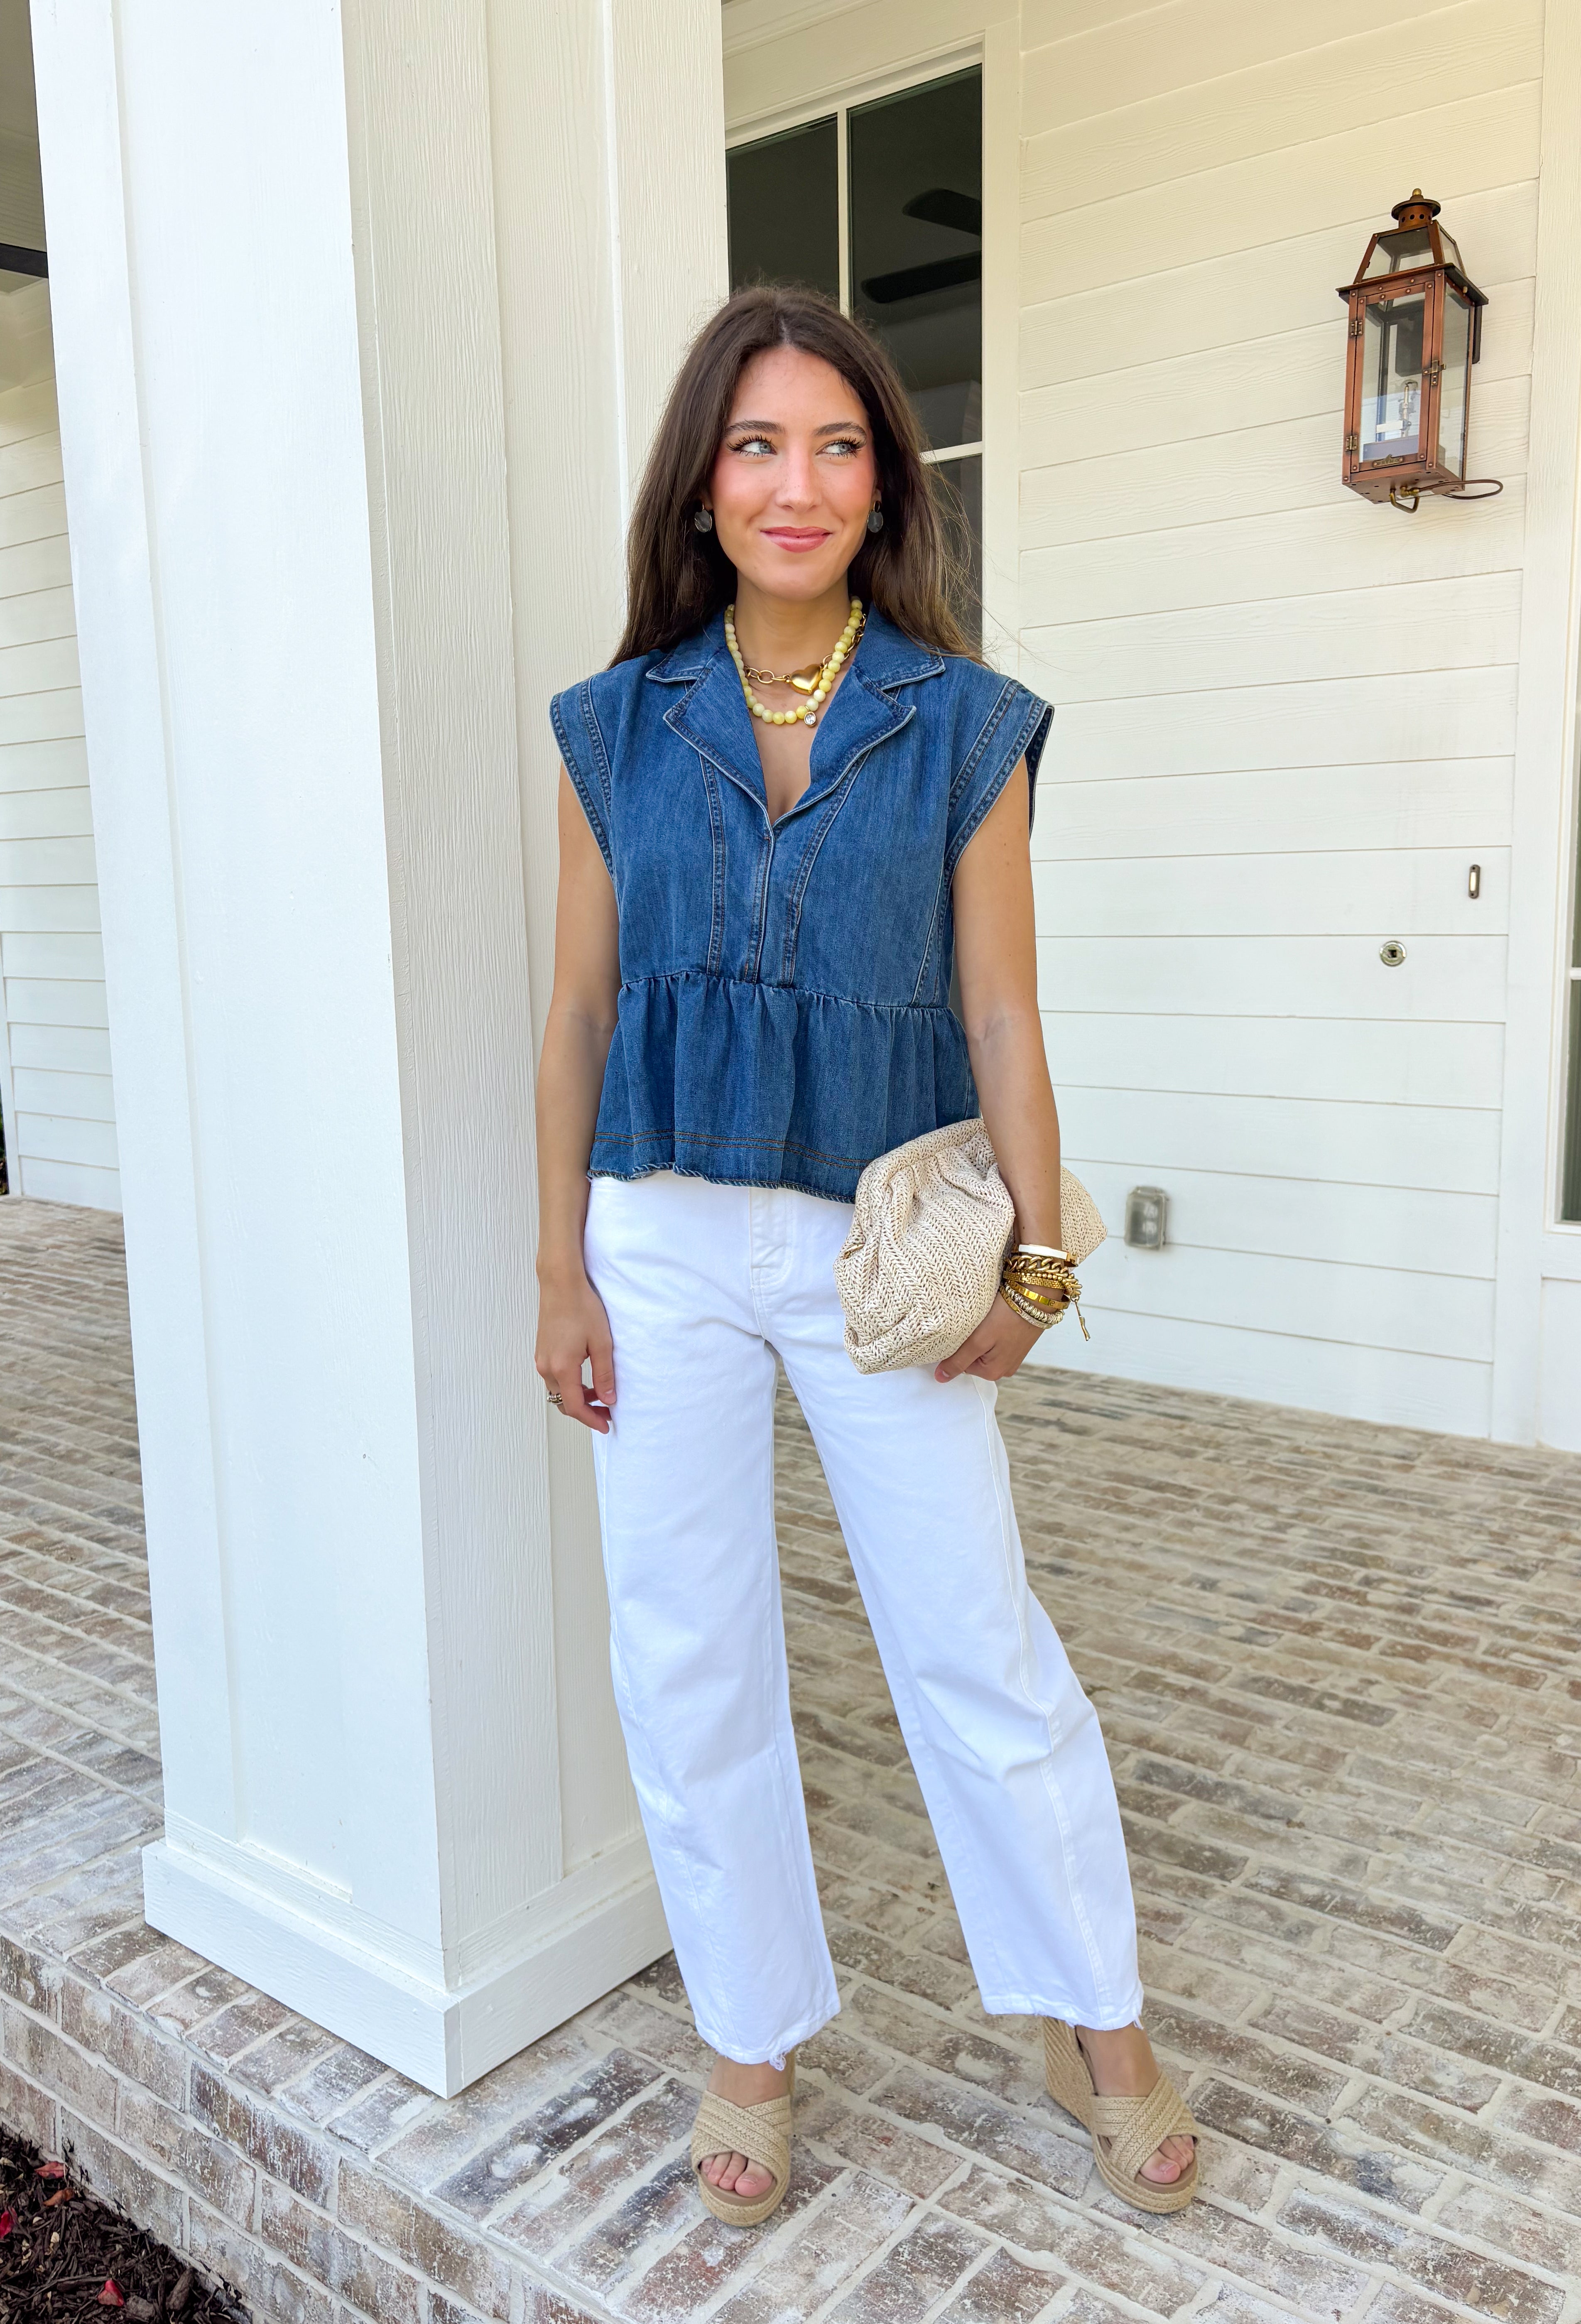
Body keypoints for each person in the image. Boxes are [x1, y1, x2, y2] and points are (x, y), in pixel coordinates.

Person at [534, 285, 1196, 2225]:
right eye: (756, 445)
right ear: (703, 483)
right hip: (657, 1235)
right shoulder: (613, 726)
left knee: (974, 1638)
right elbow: (575, 1015)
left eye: (836, 446)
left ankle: (1097, 2024)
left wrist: (1040, 1275)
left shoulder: (964, 722)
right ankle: (747, 2040)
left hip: (879, 1250)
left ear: (886, 485)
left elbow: (1003, 1016)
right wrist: (557, 1266)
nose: (796, 484)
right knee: (685, 1651)